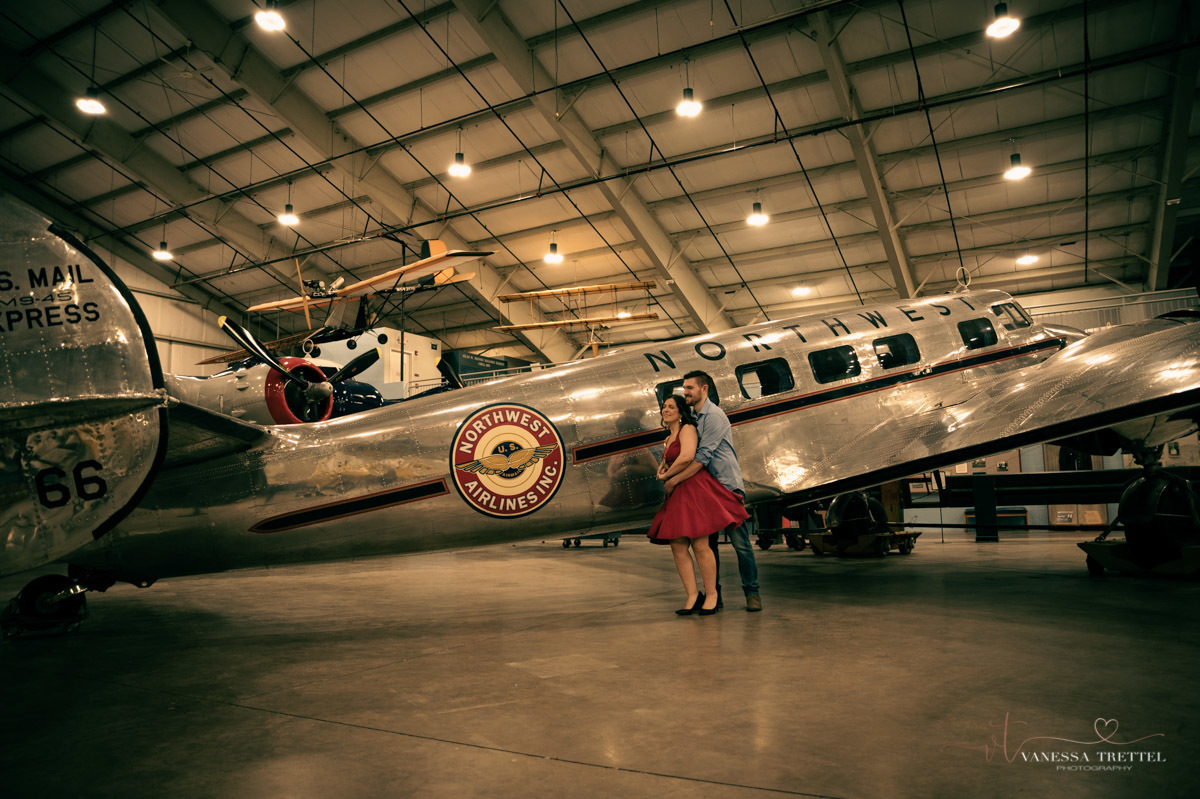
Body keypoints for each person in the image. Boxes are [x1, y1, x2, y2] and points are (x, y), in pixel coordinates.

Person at [666, 370, 763, 612]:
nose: (685, 392)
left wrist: (673, 480)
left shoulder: (715, 416)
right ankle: (714, 596)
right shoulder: (694, 418)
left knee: (741, 544)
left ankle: (752, 593)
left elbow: (700, 458)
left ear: (704, 389)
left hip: (726, 485)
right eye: (684, 389)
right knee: (707, 546)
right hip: (706, 489)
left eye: (690, 388)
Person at [647, 395, 748, 616]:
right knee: (678, 545)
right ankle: (693, 596)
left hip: (693, 488)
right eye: (664, 407)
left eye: (671, 407)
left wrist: (667, 477)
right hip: (677, 492)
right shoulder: (668, 437)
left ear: (681, 412)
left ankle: (711, 595)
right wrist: (662, 471)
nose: (666, 410)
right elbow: (668, 460)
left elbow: (686, 457)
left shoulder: (688, 429)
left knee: (700, 544)